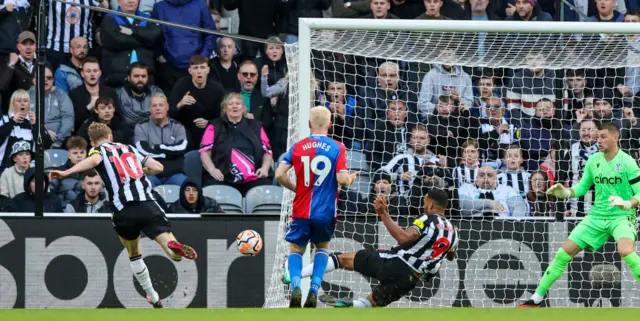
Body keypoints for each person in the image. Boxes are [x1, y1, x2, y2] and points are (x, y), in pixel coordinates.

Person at [48, 122, 198, 308]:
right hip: (147, 203)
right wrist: (138, 171)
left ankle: (153, 296)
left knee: (134, 254)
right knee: (172, 252)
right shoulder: (129, 148)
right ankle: (172, 247)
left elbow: (94, 161)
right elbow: (158, 167)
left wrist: (66, 172)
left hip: (123, 209)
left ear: (93, 142)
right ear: (111, 136)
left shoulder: (97, 150)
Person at [520, 122, 640, 307]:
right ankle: (536, 299)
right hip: (596, 216)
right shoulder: (594, 160)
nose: (597, 140)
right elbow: (583, 187)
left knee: (625, 250)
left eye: (602, 137)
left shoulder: (627, 162)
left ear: (615, 138)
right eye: (597, 137)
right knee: (563, 253)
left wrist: (627, 203)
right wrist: (565, 193)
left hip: (621, 216)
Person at [283, 188, 458, 308]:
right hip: (411, 281)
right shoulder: (454, 233)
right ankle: (350, 306)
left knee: (342, 259)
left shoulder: (427, 219)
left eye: (425, 203)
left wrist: (383, 213)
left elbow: (404, 238)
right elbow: (450, 255)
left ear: (431, 206)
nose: (423, 206)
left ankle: (294, 275)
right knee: (370, 304)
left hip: (397, 264)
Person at [274, 106, 358, 308]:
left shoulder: (298, 147)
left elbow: (279, 174)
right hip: (326, 211)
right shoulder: (338, 147)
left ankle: (296, 285)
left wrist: (296, 188)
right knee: (322, 248)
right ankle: (314, 289)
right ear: (330, 124)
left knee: (296, 249)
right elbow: (342, 179)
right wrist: (351, 179)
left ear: (309, 124)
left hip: (302, 209)